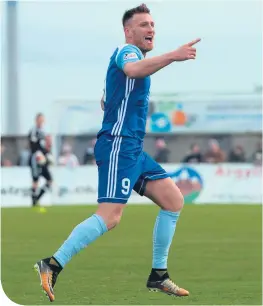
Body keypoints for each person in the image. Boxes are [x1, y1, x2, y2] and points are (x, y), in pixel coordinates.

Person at [34, 4, 200, 301]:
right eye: (144, 24)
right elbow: (131, 68)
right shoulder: (128, 52)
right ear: (128, 31)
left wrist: (110, 98)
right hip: (118, 145)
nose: (151, 29)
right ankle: (52, 264)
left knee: (173, 200)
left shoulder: (135, 60)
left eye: (152, 24)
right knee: (110, 216)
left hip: (133, 148)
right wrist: (174, 56)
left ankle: (158, 275)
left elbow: (109, 96)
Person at [28, 113, 53, 208]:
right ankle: (34, 201)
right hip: (36, 158)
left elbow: (46, 145)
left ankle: (37, 198)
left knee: (49, 180)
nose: (41, 121)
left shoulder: (44, 131)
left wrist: (47, 154)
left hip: (44, 159)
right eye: (40, 119)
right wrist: (38, 154)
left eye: (43, 119)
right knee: (35, 179)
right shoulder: (34, 131)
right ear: (36, 120)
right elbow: (33, 145)